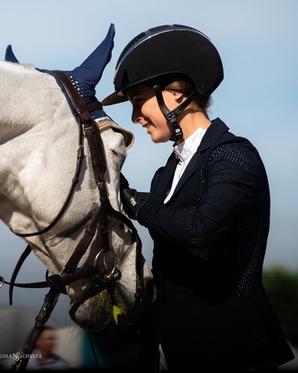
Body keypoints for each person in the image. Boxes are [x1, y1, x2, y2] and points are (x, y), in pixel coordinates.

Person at [102, 24, 294, 370]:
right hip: (165, 346)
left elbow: (198, 228)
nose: (134, 117)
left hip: (228, 348)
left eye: (138, 101)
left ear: (176, 94)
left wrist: (139, 206)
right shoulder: (166, 172)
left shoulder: (235, 156)